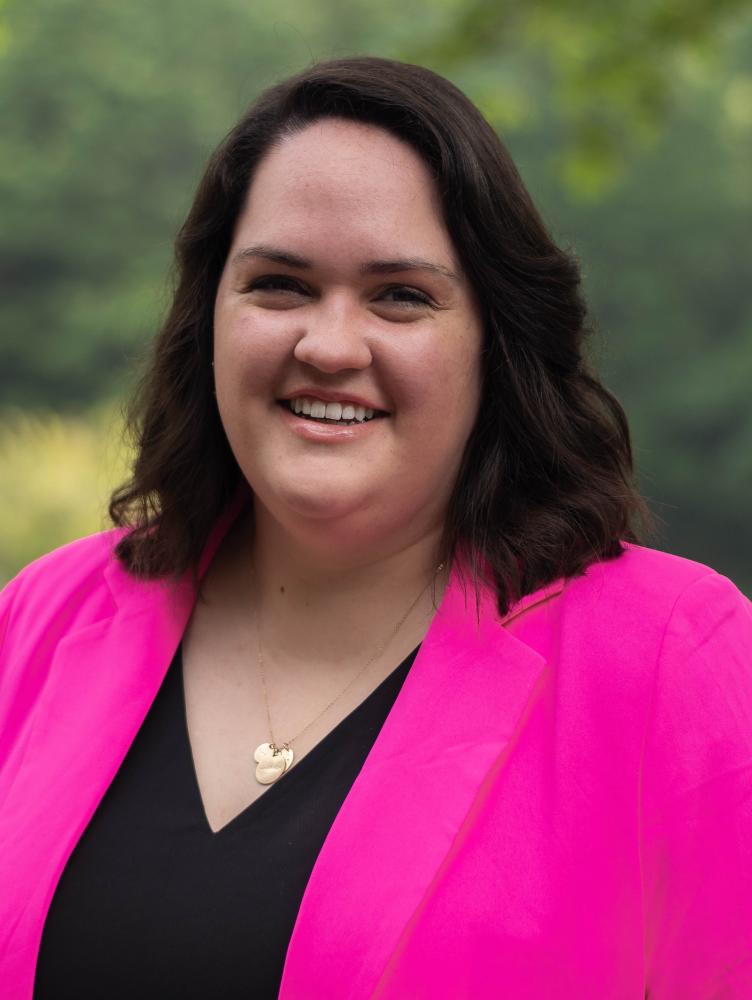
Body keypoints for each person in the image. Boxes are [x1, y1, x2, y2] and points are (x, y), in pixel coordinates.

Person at [1, 56, 751, 1000]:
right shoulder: (42, 618)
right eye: (279, 284)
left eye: (401, 296)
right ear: (209, 318)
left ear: (496, 342)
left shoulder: (670, 658)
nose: (328, 345)